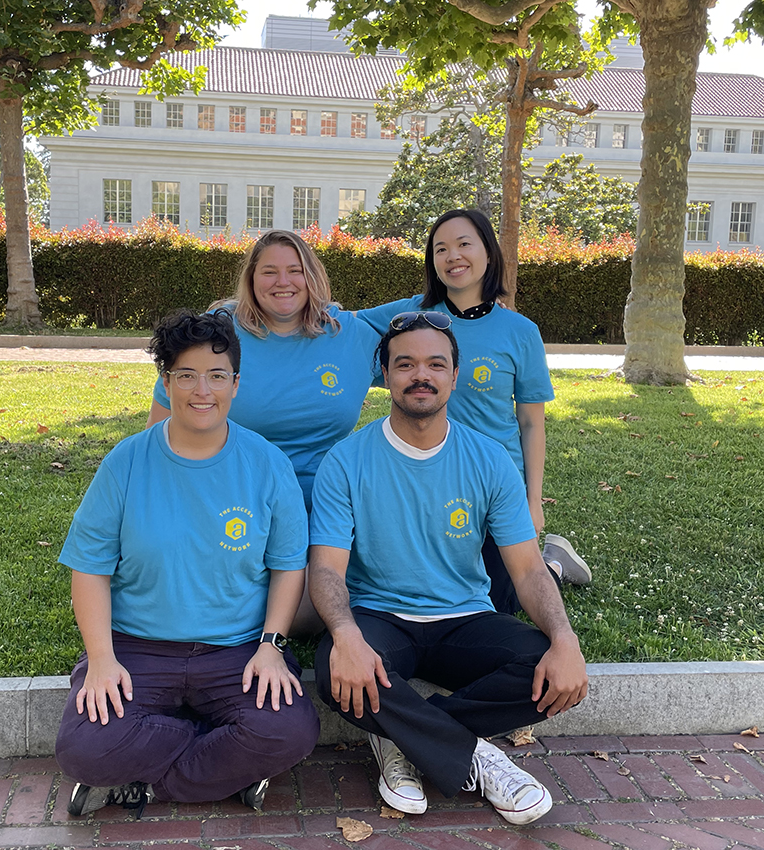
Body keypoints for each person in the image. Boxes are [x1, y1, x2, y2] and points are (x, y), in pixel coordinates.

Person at [308, 312, 588, 824]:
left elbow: (527, 571)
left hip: (464, 618)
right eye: (406, 364)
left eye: (436, 364)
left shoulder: (488, 459)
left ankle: (403, 739)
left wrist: (565, 639)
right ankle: (478, 755)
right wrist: (345, 632)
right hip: (381, 618)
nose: (422, 375)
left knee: (546, 665)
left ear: (454, 376)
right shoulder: (346, 460)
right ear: (385, 374)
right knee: (335, 667)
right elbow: (325, 569)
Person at [56, 309, 319, 818]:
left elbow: (289, 566)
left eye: (217, 375)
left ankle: (145, 785)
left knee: (290, 731)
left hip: (237, 651)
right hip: (139, 649)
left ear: (236, 384)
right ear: (166, 382)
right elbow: (89, 568)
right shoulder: (126, 462)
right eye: (187, 375)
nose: (203, 390)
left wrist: (271, 646)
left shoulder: (267, 463)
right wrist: (103, 659)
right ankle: (222, 757)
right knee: (82, 748)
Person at [356, 209, 591, 615]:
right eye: (440, 249)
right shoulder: (412, 317)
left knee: (501, 601)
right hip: (421, 478)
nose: (453, 256)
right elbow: (340, 326)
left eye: (464, 244)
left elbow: (531, 423)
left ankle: (552, 560)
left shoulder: (520, 332)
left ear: (488, 251)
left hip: (492, 485)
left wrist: (532, 501)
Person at [146, 230, 380, 515]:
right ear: (251, 279)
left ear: (313, 277)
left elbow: (422, 374)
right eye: (269, 272)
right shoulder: (216, 333)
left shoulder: (351, 334)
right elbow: (158, 434)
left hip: (327, 507)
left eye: (296, 271)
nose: (283, 282)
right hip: (229, 502)